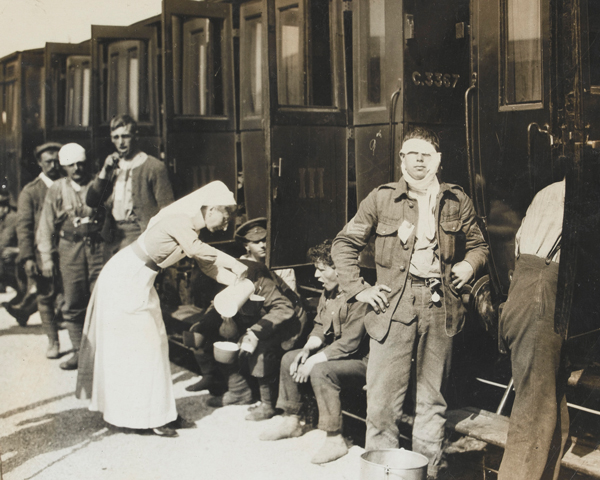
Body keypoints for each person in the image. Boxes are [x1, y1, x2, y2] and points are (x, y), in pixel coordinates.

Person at [331, 127, 489, 479]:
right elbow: (344, 244)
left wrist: (468, 263)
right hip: (392, 307)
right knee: (383, 402)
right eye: (412, 154)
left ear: (438, 161)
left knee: (432, 402)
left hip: (441, 307)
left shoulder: (456, 199)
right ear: (402, 159)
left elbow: (479, 244)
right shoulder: (381, 198)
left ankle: (427, 474)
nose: (419, 161)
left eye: (426, 155)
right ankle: (381, 474)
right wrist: (360, 289)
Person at [76, 181, 248, 437]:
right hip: (125, 279)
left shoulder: (192, 232)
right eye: (226, 215)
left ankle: (159, 413)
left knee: (155, 346)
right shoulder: (180, 221)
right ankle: (141, 416)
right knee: (139, 347)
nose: (227, 223)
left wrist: (236, 281)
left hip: (141, 282)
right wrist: (234, 263)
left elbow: (208, 266)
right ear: (211, 208)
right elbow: (194, 250)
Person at [260, 239, 369, 465]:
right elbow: (320, 325)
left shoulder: (362, 295)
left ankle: (334, 438)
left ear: (340, 269)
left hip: (361, 362)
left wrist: (315, 360)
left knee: (320, 370)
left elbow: (351, 343)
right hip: (335, 354)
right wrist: (308, 348)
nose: (316, 275)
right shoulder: (329, 292)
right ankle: (292, 420)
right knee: (290, 357)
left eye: (321, 270)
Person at [498, 179, 567, 480]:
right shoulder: (573, 195)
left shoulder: (550, 191)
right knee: (534, 417)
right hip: (541, 292)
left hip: (531, 288)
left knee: (551, 414)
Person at [37, 143, 105, 370]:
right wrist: (46, 258)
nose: (77, 168)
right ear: (64, 167)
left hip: (96, 248)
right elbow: (46, 227)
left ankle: (101, 353)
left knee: (100, 299)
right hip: (70, 249)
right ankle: (79, 351)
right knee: (73, 302)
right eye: (72, 165)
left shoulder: (97, 184)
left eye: (81, 163)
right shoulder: (56, 189)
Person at [86, 114, 174, 260]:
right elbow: (91, 201)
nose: (120, 143)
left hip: (139, 233)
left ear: (135, 136)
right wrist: (104, 171)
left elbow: (167, 209)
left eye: (125, 136)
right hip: (113, 235)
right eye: (116, 137)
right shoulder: (112, 166)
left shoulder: (153, 167)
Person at [14, 142, 64, 355]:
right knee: (45, 296)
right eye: (48, 162)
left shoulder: (67, 184)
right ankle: (53, 342)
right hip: (42, 253)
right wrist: (27, 258)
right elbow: (24, 227)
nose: (53, 166)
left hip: (68, 249)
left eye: (56, 161)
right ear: (39, 163)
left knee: (71, 298)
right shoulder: (31, 191)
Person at [236, 217, 298, 293]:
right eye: (256, 242)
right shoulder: (239, 266)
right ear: (246, 246)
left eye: (264, 240)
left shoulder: (282, 268)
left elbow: (292, 296)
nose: (262, 245)